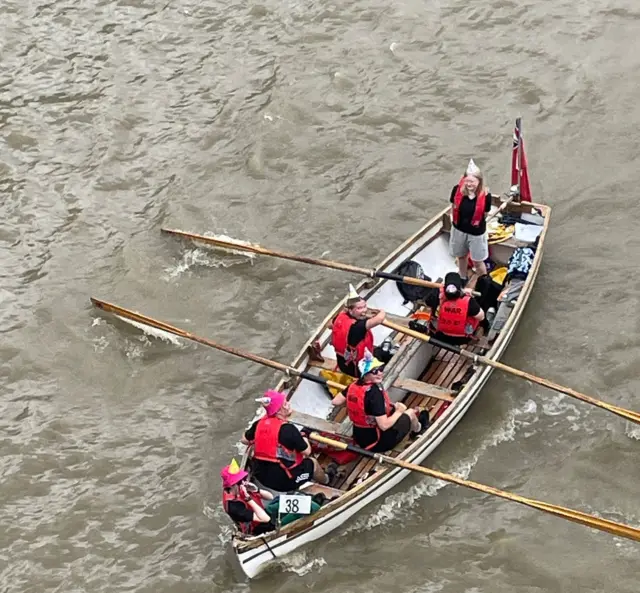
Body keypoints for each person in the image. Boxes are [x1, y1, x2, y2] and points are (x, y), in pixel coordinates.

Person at [330, 350, 429, 452]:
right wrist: (399, 411)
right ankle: (418, 430)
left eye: (381, 369)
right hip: (378, 442)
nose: (380, 373)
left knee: (392, 411)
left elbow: (336, 401)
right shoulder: (374, 394)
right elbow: (384, 425)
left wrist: (359, 406)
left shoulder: (353, 386)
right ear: (365, 374)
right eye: (374, 371)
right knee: (410, 413)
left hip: (359, 438)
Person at [242, 390, 337, 492]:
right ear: (280, 410)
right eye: (286, 403)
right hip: (286, 482)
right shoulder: (288, 429)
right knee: (312, 462)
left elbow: (244, 440)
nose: (289, 404)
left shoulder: (259, 424)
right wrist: (303, 435)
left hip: (262, 478)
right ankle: (327, 479)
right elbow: (307, 451)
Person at [449, 159, 493, 290]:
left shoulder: (486, 196)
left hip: (476, 233)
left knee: (478, 262)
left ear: (479, 182)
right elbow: (453, 207)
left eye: (472, 181)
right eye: (467, 181)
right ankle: (463, 277)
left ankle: (484, 282)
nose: (469, 184)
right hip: (459, 230)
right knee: (461, 256)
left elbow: (484, 214)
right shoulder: (457, 190)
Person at [487, 237, 538, 342]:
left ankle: (492, 323)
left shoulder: (518, 251)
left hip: (510, 280)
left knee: (503, 300)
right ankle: (494, 334)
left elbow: (510, 264)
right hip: (519, 281)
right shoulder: (532, 255)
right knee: (508, 303)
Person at [331, 284, 387, 377]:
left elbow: (331, 324)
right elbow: (379, 319)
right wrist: (382, 312)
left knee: (379, 352)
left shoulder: (339, 318)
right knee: (383, 354)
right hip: (357, 369)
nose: (364, 310)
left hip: (343, 364)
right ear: (350, 310)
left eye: (365, 306)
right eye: (359, 308)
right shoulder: (357, 327)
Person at [221, 458, 275, 535]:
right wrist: (248, 499)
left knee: (278, 501)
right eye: (239, 481)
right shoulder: (234, 506)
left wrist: (257, 490)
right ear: (232, 486)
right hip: (257, 526)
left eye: (244, 479)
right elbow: (266, 519)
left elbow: (270, 497)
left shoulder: (244, 488)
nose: (243, 482)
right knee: (292, 516)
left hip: (262, 512)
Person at [433, 272, 485, 346]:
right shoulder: (469, 302)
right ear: (460, 288)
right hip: (463, 338)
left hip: (442, 335)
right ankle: (477, 338)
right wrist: (469, 296)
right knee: (482, 319)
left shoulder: (438, 298)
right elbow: (481, 317)